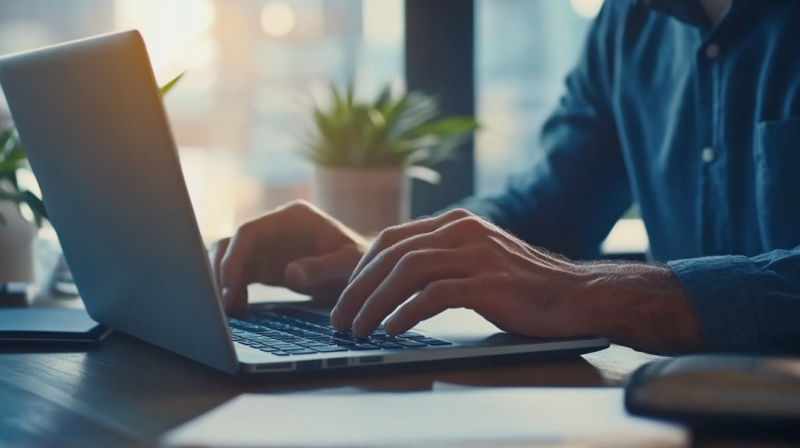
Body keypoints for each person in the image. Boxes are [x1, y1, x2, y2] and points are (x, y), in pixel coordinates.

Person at [211, 0, 800, 355]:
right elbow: (548, 209)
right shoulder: (630, 21)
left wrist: (593, 292)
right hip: (678, 414)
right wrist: (392, 258)